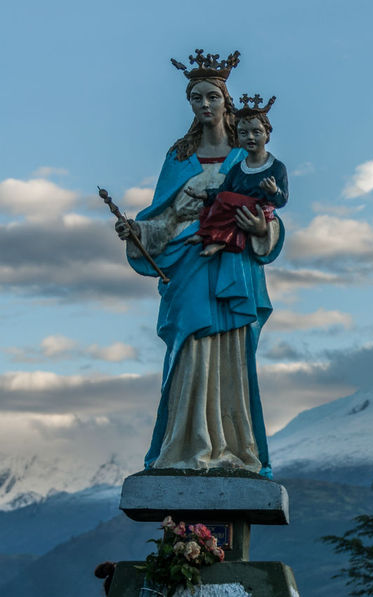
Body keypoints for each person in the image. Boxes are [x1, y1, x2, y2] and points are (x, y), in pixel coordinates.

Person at [115, 50, 282, 478]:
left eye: (212, 97)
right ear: (189, 104)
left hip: (233, 266)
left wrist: (259, 227)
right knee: (189, 351)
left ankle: (232, 446)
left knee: (230, 358)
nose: (205, 105)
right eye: (196, 98)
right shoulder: (179, 156)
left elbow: (269, 212)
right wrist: (138, 233)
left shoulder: (244, 154)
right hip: (188, 262)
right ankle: (186, 446)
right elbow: (163, 217)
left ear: (226, 101)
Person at [185, 93, 288, 257]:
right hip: (238, 209)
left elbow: (282, 199)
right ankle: (209, 237)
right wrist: (203, 194)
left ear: (267, 134)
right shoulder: (238, 169)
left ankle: (215, 240)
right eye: (243, 133)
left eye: (256, 132)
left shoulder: (276, 167)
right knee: (213, 208)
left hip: (259, 210)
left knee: (226, 202)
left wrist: (273, 190)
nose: (250, 137)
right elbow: (223, 190)